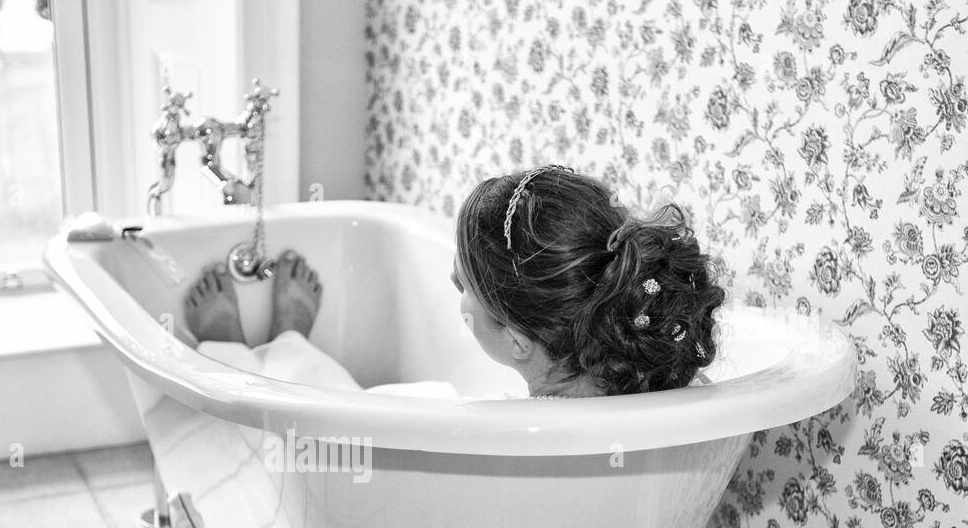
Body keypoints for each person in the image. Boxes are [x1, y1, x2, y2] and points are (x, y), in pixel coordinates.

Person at [182, 165, 724, 398]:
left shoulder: (483, 436)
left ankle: (241, 351)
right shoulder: (655, 376)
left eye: (465, 285)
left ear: (516, 339)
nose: (450, 280)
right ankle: (286, 340)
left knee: (317, 401)